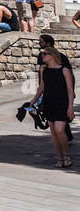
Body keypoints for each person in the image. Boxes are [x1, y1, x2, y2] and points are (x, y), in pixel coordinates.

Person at [32, 34, 75, 168]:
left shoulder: (64, 70)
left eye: (45, 54)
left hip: (61, 103)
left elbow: (69, 90)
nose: (42, 56)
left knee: (59, 129)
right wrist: (32, 101)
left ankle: (67, 155)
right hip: (48, 102)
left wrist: (70, 107)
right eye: (42, 54)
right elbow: (42, 87)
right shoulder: (44, 70)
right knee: (53, 131)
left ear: (52, 55)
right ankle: (60, 158)